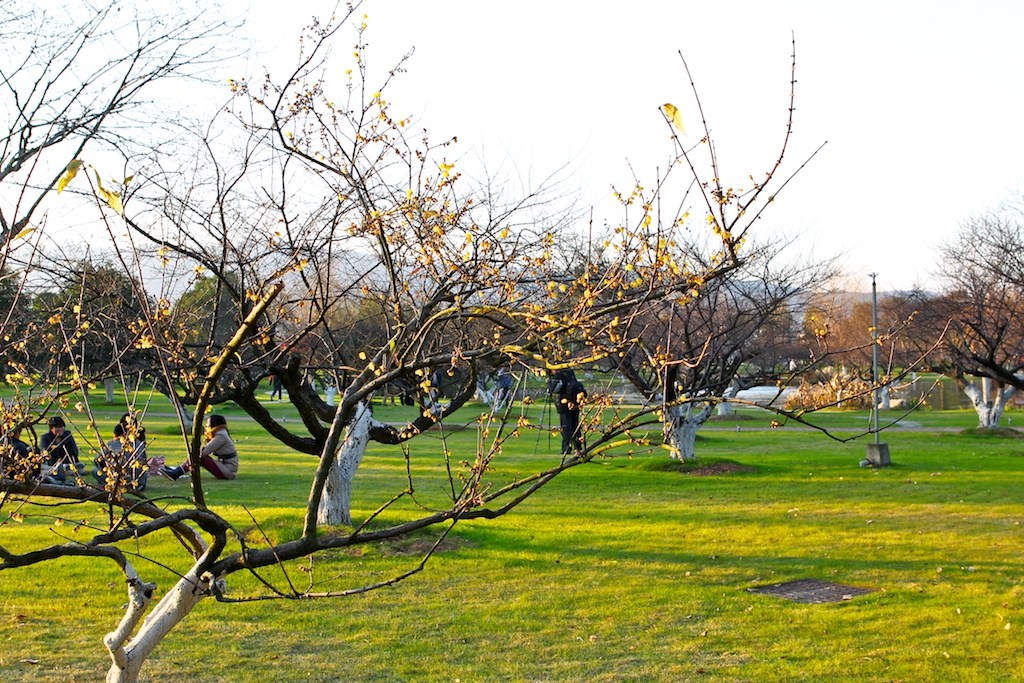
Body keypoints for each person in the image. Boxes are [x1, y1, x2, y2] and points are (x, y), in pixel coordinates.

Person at [160, 414, 238, 481]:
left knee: (199, 457)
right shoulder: (221, 433)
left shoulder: (220, 436)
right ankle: (177, 471)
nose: (206, 427)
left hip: (228, 471)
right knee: (198, 456)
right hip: (226, 468)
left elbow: (204, 452)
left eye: (208, 424)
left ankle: (176, 473)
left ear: (214, 425)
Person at [93, 423, 148, 491]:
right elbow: (144, 462)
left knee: (95, 470)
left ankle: (107, 485)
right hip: (138, 481)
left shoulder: (111, 443)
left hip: (117, 478)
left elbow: (96, 460)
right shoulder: (139, 444)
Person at [548, 368, 587, 455]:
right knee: (575, 427)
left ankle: (566, 448)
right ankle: (578, 447)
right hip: (575, 406)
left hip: (564, 407)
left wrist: (550, 382)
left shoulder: (560, 378)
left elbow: (553, 390)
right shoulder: (573, 379)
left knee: (566, 428)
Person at [40, 416, 84, 482]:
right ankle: (65, 469)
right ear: (51, 428)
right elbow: (46, 454)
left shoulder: (67, 435)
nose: (60, 429)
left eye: (61, 427)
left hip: (68, 462)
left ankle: (69, 468)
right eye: (57, 427)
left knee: (80, 465)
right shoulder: (45, 438)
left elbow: (74, 450)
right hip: (53, 464)